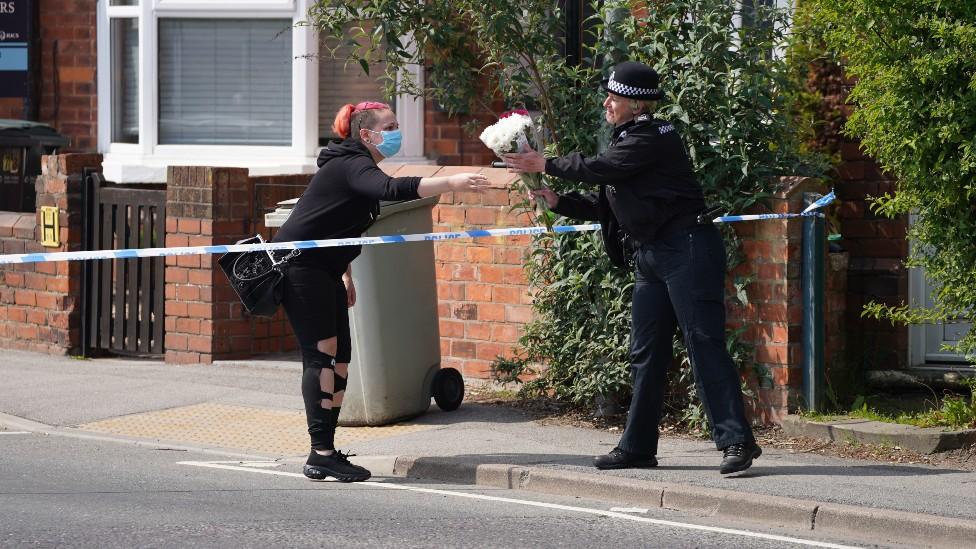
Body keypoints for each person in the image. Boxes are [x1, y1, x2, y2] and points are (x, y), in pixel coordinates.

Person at [503, 61, 761, 475]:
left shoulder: (656, 136)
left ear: (638, 106)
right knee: (645, 352)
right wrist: (559, 201)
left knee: (703, 343)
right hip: (652, 255)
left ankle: (737, 442)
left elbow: (602, 169)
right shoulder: (628, 140)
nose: (607, 102)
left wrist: (545, 163)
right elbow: (611, 203)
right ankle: (638, 447)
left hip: (687, 250)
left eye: (615, 97)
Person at [273, 101, 489, 482]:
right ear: (366, 134)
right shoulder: (351, 163)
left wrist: (345, 274)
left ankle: (325, 450)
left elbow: (339, 225)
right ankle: (320, 451)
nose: (395, 131)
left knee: (341, 357)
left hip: (326, 267)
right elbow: (391, 189)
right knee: (321, 355)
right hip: (301, 268)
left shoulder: (356, 164)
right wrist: (452, 181)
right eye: (389, 126)